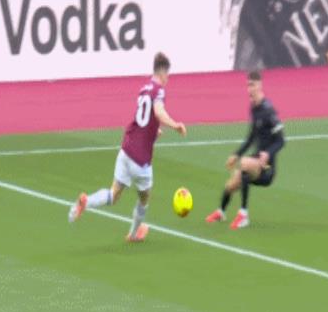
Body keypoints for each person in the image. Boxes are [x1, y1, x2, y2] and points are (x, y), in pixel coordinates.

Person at [68, 52, 187, 242]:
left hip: (126, 150)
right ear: (163, 72)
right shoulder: (159, 91)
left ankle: (87, 201)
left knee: (114, 194)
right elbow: (158, 112)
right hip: (140, 161)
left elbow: (143, 118)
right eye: (168, 74)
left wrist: (153, 131)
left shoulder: (144, 88)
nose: (168, 79)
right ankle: (133, 234)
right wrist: (175, 125)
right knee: (144, 199)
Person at [206, 70, 285, 229]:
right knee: (231, 184)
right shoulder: (254, 108)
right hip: (255, 163)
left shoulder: (269, 111)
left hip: (267, 168)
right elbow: (251, 138)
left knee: (244, 164)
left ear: (260, 86)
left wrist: (268, 153)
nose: (249, 89)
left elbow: (281, 140)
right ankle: (221, 212)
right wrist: (236, 154)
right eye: (248, 85)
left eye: (252, 85)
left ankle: (243, 215)